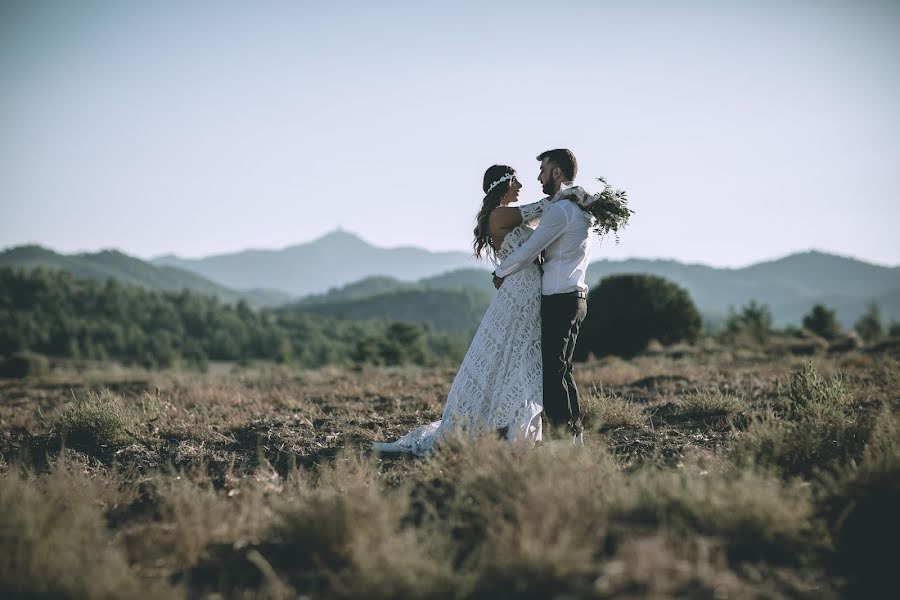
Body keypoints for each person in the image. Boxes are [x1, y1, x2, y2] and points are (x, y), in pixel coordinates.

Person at [372, 165, 548, 455]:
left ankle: (505, 420)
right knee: (508, 354)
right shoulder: (502, 214)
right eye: (515, 180)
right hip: (518, 295)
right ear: (504, 184)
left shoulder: (506, 214)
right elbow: (543, 208)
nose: (520, 184)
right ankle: (498, 423)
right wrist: (576, 196)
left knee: (513, 356)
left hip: (525, 292)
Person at [493, 149, 592, 446]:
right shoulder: (576, 207)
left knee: (551, 376)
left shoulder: (562, 211)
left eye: (543, 170)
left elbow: (530, 249)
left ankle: (563, 443)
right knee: (563, 371)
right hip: (575, 297)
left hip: (559, 300)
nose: (539, 177)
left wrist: (501, 271)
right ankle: (575, 440)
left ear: (557, 173)